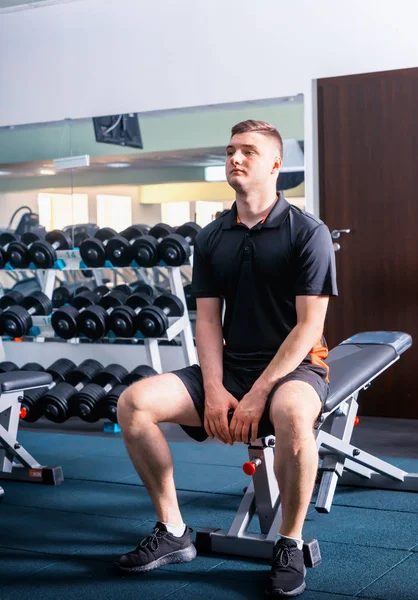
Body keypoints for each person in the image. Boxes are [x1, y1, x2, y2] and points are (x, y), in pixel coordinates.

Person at [116, 119, 338, 598]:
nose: (235, 158)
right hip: (232, 365)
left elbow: (309, 328)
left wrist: (258, 395)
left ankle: (290, 542)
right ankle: (173, 531)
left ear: (276, 164)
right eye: (231, 151)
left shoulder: (308, 233)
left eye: (249, 152)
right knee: (134, 404)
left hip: (295, 367)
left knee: (295, 417)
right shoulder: (213, 235)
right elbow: (208, 323)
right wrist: (214, 390)